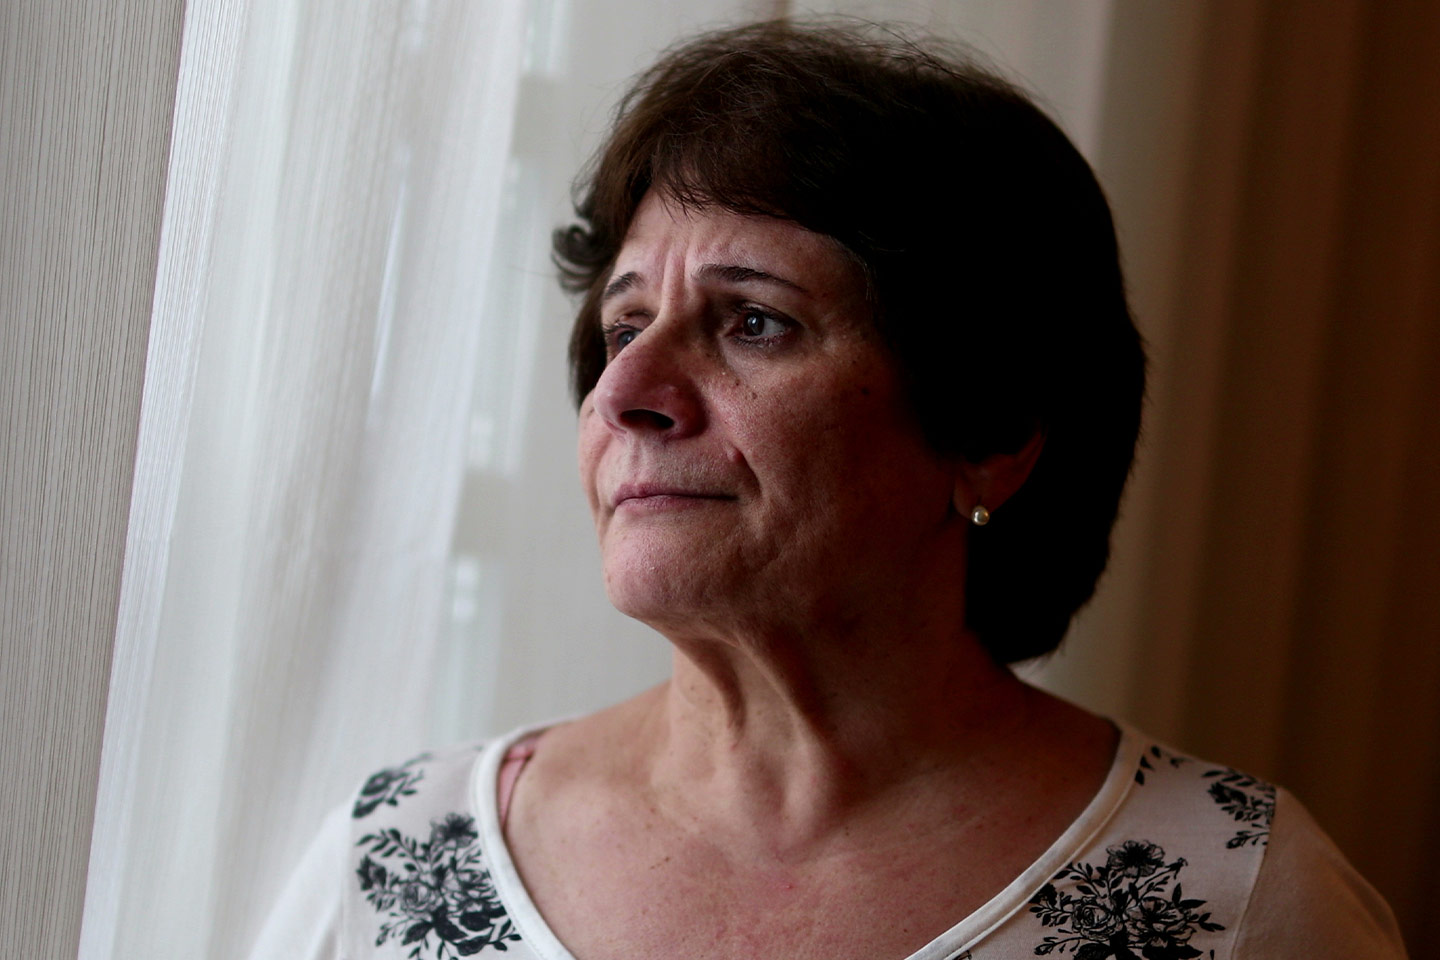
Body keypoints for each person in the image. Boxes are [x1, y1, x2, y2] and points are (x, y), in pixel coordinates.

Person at [251, 20, 1406, 960]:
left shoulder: (1241, 898)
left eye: (754, 322)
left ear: (991, 431)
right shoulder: (396, 852)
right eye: (622, 325)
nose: (626, 393)